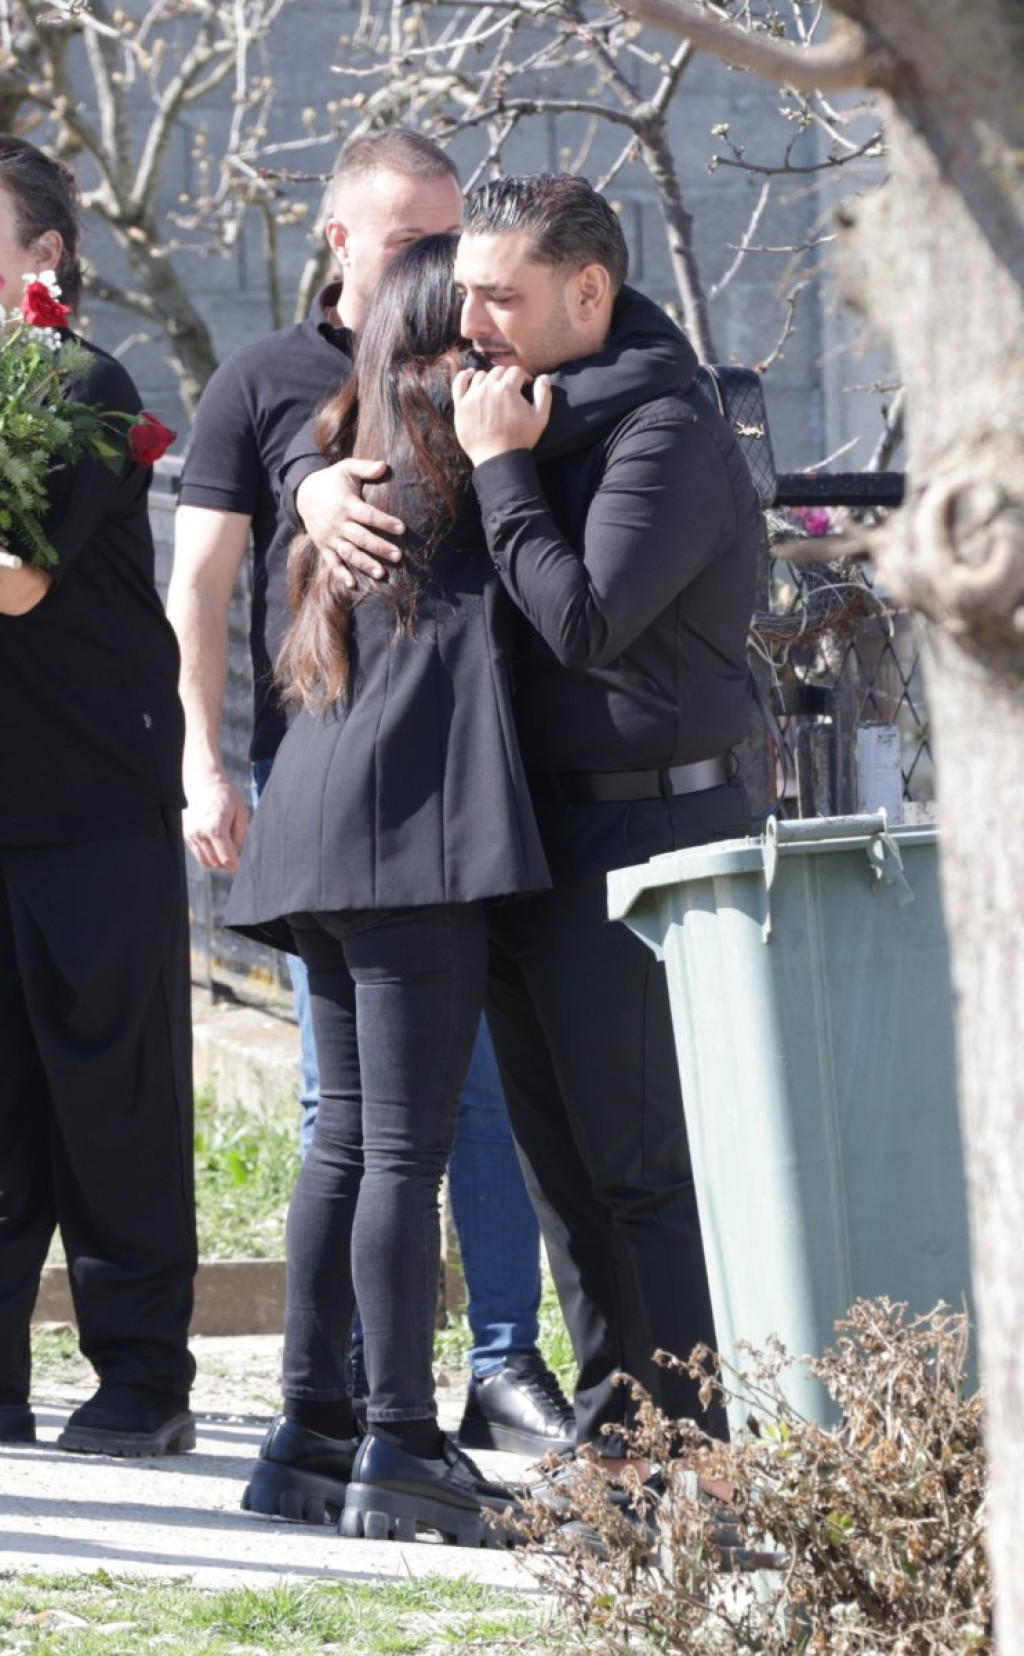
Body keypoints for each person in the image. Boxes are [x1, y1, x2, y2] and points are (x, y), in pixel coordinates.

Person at [291, 173, 761, 1473]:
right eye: (467, 294)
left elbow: (584, 622)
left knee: (644, 1170)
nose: (471, 321)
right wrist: (314, 486)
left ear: (589, 292)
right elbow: (342, 409)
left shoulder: (663, 429)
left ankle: (692, 1453)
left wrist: (503, 468)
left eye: (500, 296)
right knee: (564, 1171)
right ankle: (618, 1443)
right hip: (531, 840)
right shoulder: (525, 407)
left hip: (647, 839)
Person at [168, 130, 574, 1464]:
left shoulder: (366, 435)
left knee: (365, 1133)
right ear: (341, 242)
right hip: (396, 818)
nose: (456, 278)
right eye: (424, 250)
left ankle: (326, 1423)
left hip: (329, 817)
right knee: (394, 1138)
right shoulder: (415, 432)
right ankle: (392, 1428)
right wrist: (203, 762)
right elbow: (198, 586)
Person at [0, 136, 196, 1457]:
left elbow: (16, 580)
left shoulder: (76, 382)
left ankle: (141, 1385)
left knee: (111, 1107)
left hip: (93, 808)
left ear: (46, 255)